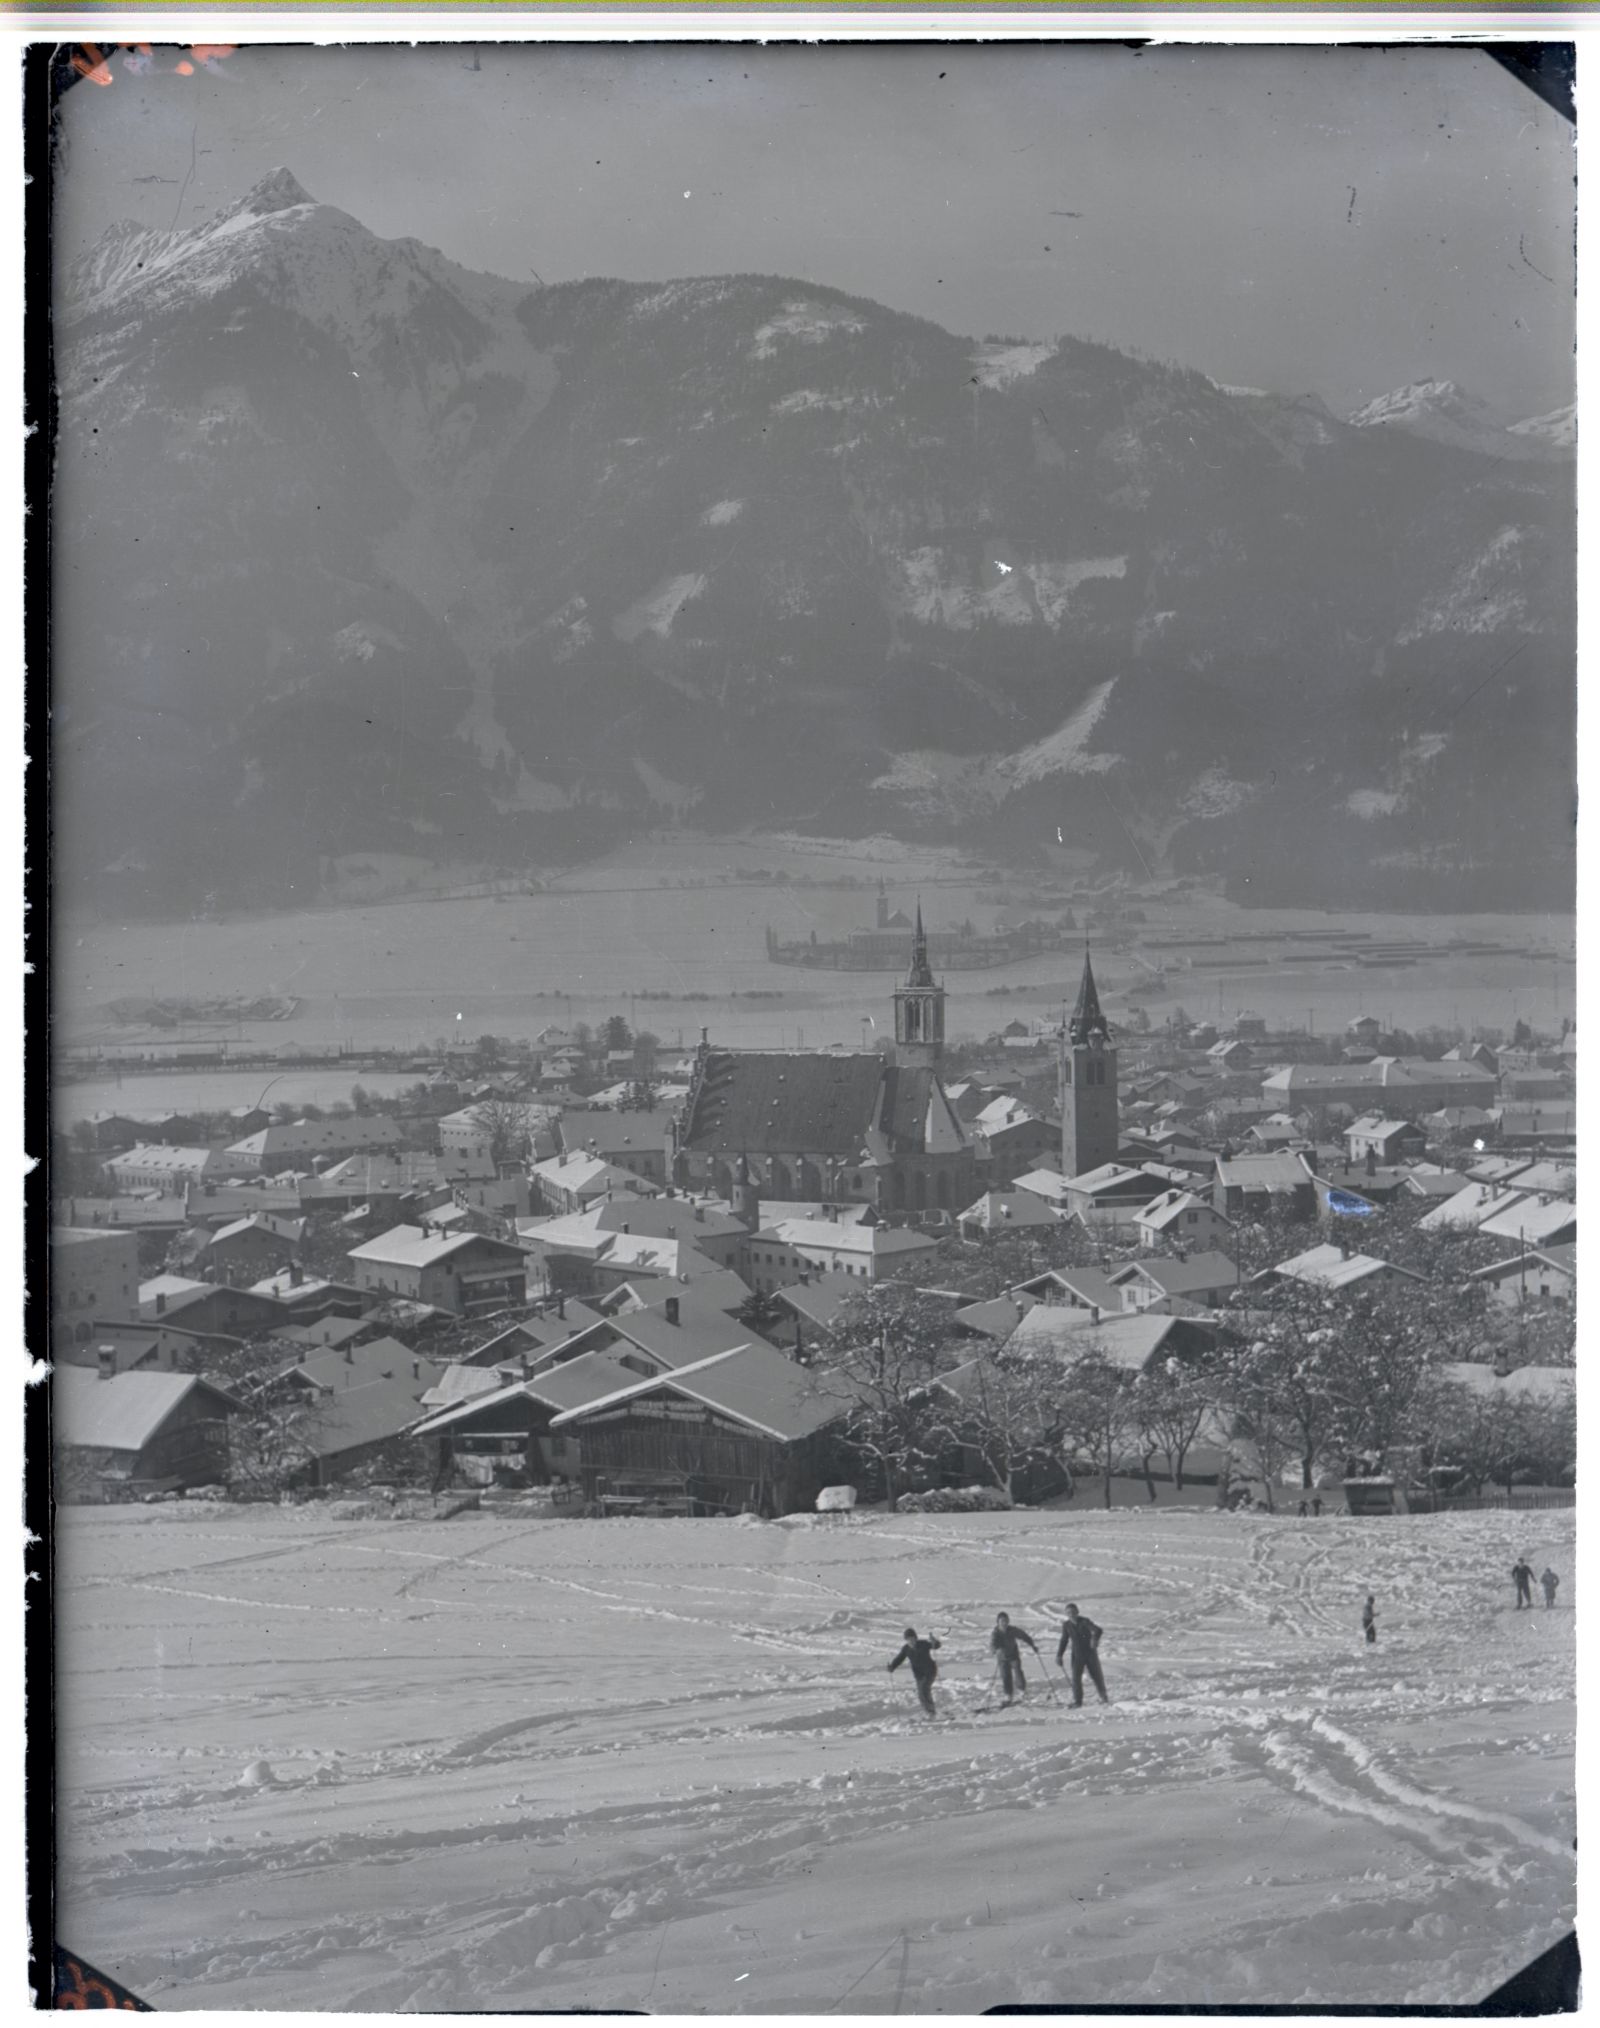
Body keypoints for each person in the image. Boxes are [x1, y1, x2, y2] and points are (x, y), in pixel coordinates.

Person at [1055, 1603, 1109, 1707]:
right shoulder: (1066, 1625)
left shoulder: (1084, 1621)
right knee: (1076, 1679)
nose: (1072, 1614)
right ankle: (1078, 1702)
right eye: (1069, 1613)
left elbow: (1098, 1630)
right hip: (1077, 1655)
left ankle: (1104, 1697)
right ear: (1066, 1614)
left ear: (1077, 1612)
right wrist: (1059, 1655)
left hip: (1090, 1653)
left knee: (1096, 1676)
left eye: (1073, 1612)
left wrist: (1094, 1639)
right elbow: (1064, 1640)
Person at [888, 1627, 941, 1716]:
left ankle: (931, 1712)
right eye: (908, 1639)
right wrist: (892, 1667)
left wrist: (934, 1641)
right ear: (906, 1640)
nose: (911, 1641)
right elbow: (899, 1659)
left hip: (930, 1671)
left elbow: (936, 1646)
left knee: (924, 1690)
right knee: (922, 1694)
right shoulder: (906, 1649)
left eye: (912, 1639)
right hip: (918, 1674)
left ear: (915, 1638)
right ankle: (930, 1711)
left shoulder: (923, 1644)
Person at [990, 1612, 1039, 1704]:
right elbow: (992, 1645)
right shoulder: (995, 1633)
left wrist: (1032, 1645)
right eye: (1002, 1621)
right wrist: (996, 1651)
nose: (1004, 1623)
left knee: (1018, 1673)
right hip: (1002, 1658)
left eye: (1006, 1621)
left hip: (1013, 1655)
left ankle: (1022, 1692)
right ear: (998, 1622)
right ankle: (1008, 1695)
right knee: (1006, 1675)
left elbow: (1024, 1636)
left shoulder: (1012, 1630)